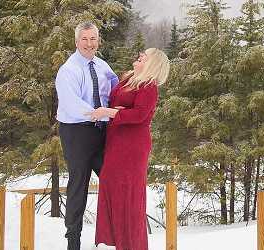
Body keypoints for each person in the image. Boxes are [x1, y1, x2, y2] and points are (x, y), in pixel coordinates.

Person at [87, 48, 170, 250]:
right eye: (140, 55)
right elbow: (120, 105)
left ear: (152, 65)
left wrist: (111, 112)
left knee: (129, 195)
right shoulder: (129, 78)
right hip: (116, 141)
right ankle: (115, 242)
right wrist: (117, 111)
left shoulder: (149, 85)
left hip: (132, 146)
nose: (139, 57)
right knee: (112, 186)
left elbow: (140, 115)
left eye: (144, 57)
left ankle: (132, 245)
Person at [55, 21, 118, 250]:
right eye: (85, 39)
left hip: (101, 133)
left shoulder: (102, 66)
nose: (89, 44)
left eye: (93, 39)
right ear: (76, 41)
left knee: (114, 179)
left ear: (98, 41)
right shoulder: (68, 70)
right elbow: (72, 105)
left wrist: (119, 110)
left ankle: (118, 235)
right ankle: (73, 240)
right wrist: (104, 115)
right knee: (78, 185)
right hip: (77, 132)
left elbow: (115, 89)